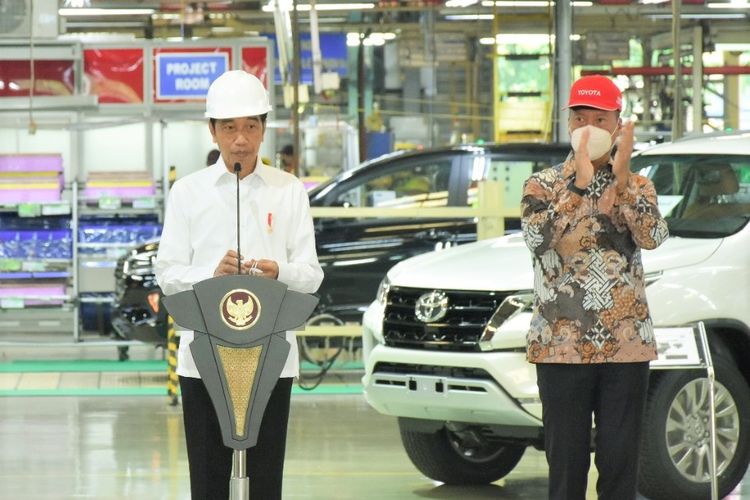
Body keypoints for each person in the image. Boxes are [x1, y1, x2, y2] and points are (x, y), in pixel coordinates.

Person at [155, 70, 323, 500]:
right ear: (212, 130)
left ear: (264, 128)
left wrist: (278, 272)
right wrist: (209, 276)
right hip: (203, 359)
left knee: (266, 479)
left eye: (250, 126)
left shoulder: (289, 192)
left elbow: (311, 274)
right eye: (229, 128)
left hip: (271, 359)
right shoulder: (187, 193)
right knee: (208, 481)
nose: (241, 140)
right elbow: (168, 274)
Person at [520, 74, 669, 500]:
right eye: (579, 117)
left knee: (621, 464)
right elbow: (537, 240)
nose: (587, 128)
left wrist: (620, 180)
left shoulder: (639, 185)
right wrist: (579, 184)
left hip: (626, 345)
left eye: (599, 119)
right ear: (568, 124)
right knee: (565, 466)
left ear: (617, 125)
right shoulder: (542, 185)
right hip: (560, 344)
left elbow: (653, 237)